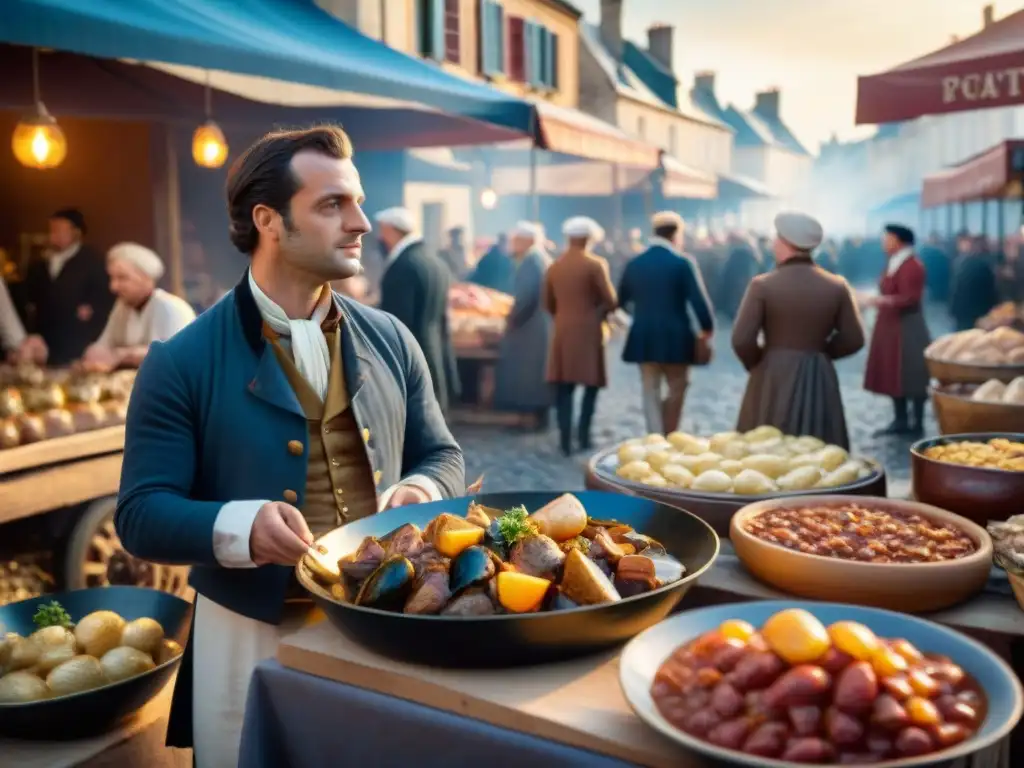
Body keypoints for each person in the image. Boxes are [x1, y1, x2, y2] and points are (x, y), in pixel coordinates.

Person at [113, 125, 465, 768]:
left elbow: (442, 454)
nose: (359, 222)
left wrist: (420, 492)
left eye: (356, 202)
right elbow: (139, 515)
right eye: (332, 205)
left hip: (392, 622)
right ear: (268, 220)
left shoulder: (393, 338)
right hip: (250, 635)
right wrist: (241, 526)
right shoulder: (181, 360)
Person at [733, 213, 865, 448]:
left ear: (784, 243)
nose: (773, 243)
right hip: (818, 375)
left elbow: (742, 340)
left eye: (777, 238)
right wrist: (821, 352)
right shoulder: (837, 286)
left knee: (766, 447)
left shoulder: (762, 285)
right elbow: (854, 338)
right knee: (821, 448)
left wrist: (759, 362)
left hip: (772, 375)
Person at [618, 211, 714, 436]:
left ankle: (654, 434)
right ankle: (669, 432)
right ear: (676, 234)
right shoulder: (682, 262)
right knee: (677, 387)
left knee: (649, 390)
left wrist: (635, 320)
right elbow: (698, 300)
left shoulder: (635, 263)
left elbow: (621, 300)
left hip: (643, 336)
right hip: (676, 337)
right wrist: (706, 328)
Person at [544, 216, 617, 455]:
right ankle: (584, 436)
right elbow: (610, 300)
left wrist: (564, 315)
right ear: (588, 239)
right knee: (590, 386)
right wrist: (596, 313)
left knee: (564, 388)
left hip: (563, 332)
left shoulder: (555, 266)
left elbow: (547, 303)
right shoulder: (595, 265)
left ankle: (565, 439)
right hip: (589, 332)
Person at [375, 207, 459, 413]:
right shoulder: (433, 260)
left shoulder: (404, 265)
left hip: (413, 357)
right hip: (433, 350)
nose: (379, 237)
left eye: (382, 230)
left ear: (392, 231)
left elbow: (397, 321)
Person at [80, 243, 196, 371]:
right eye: (112, 278)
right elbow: (104, 345)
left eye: (122, 278)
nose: (113, 287)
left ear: (146, 278)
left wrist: (123, 355)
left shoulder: (170, 308)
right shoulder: (121, 307)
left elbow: (172, 356)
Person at [863, 224, 932, 436]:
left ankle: (916, 421)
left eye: (888, 238)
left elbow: (910, 298)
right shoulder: (895, 263)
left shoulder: (912, 265)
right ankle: (900, 419)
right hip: (892, 325)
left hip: (907, 327)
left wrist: (879, 301)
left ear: (900, 241)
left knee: (911, 372)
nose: (884, 242)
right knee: (892, 372)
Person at [23, 208, 114, 365]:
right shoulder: (40, 263)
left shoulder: (93, 260)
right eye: (52, 229)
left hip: (77, 336)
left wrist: (91, 308)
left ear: (76, 232)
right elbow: (29, 295)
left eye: (60, 230)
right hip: (46, 336)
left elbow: (105, 295)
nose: (54, 234)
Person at [493, 221, 553, 428]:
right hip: (536, 324)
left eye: (516, 240)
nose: (513, 244)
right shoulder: (537, 258)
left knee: (529, 375)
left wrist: (512, 319)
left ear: (526, 240)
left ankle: (530, 417)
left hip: (531, 327)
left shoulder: (532, 261)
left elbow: (526, 296)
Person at [949, 234, 999, 331]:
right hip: (976, 312)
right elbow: (990, 290)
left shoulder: (961, 261)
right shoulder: (984, 265)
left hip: (960, 310)